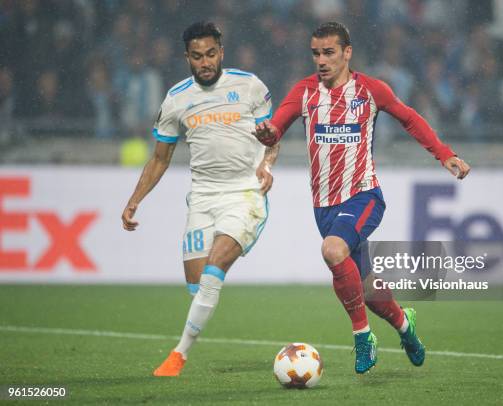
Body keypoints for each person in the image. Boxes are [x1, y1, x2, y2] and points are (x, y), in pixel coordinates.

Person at [253, 22, 470, 374]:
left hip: (363, 195)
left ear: (347, 52)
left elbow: (410, 119)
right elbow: (275, 128)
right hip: (323, 205)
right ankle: (405, 325)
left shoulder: (370, 90)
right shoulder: (304, 92)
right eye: (315, 53)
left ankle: (362, 337)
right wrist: (266, 134)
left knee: (333, 251)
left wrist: (444, 154)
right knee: (367, 287)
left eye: (329, 53)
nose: (321, 60)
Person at [121, 21, 278, 377]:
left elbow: (273, 135)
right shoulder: (177, 98)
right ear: (186, 58)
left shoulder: (249, 86)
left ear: (221, 52)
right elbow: (160, 158)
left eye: (210, 54)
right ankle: (208, 290)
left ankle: (178, 355)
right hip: (203, 197)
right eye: (197, 56)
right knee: (197, 285)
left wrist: (267, 165)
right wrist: (135, 200)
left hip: (244, 193)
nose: (205, 62)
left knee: (212, 272)